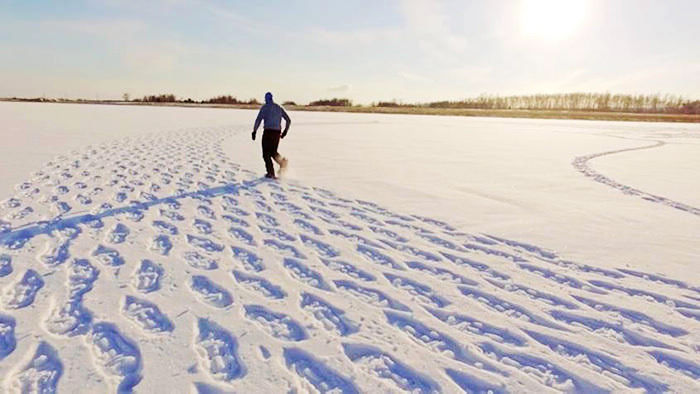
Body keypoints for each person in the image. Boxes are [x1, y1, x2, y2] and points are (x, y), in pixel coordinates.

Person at [252, 92, 290, 179]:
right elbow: (288, 120)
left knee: (266, 154)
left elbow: (258, 120)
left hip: (268, 132)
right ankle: (282, 163)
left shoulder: (265, 108)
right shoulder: (278, 108)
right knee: (273, 152)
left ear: (266, 99)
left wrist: (254, 131)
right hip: (277, 133)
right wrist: (285, 131)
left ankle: (271, 173)